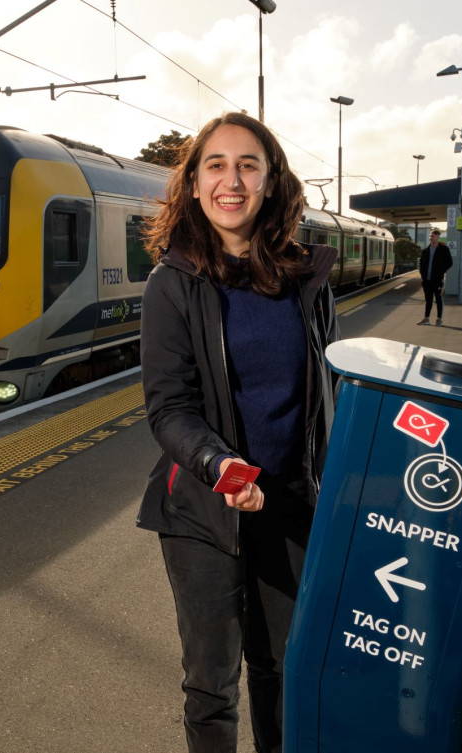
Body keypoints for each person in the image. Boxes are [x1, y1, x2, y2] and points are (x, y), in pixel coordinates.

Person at [136, 111, 339, 753]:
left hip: (290, 507)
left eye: (249, 165)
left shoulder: (307, 281)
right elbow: (169, 407)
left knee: (282, 670)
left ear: (272, 182)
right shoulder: (172, 285)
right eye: (215, 165)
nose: (233, 179)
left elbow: (328, 393)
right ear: (193, 185)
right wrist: (219, 466)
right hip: (202, 510)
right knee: (212, 685)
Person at [416, 228, 453, 325]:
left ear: (438, 237)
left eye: (432, 236)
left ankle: (439, 319)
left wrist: (440, 272)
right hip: (426, 280)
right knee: (428, 300)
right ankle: (426, 318)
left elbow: (449, 263)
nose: (430, 238)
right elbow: (421, 264)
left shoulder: (444, 249)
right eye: (430, 236)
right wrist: (422, 274)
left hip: (437, 279)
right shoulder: (425, 250)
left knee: (438, 299)